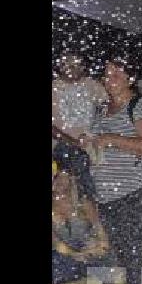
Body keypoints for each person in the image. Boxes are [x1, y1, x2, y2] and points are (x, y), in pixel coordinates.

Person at [82, 56, 142, 284]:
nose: (110, 76)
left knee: (131, 254)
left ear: (131, 77)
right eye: (107, 72)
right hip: (106, 194)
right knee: (112, 252)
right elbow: (94, 142)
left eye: (118, 71)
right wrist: (88, 142)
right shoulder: (101, 109)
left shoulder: (140, 106)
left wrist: (111, 139)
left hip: (134, 192)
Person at [52, 51, 108, 198]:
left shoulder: (92, 85)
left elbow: (108, 109)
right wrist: (74, 142)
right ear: (60, 67)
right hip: (62, 145)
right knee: (79, 182)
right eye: (68, 64)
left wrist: (95, 135)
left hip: (92, 143)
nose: (72, 68)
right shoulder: (54, 88)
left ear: (83, 67)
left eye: (77, 65)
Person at [51, 167, 108, 284]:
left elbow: (101, 234)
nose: (60, 182)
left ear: (72, 181)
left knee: (106, 259)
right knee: (55, 259)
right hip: (65, 257)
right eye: (57, 178)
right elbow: (57, 243)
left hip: (88, 252)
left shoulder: (83, 204)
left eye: (64, 177)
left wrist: (94, 249)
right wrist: (74, 254)